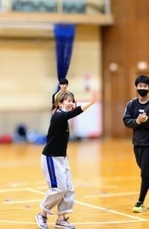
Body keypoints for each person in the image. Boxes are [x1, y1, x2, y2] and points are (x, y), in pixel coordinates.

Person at [35, 91, 97, 229]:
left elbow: (71, 113)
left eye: (71, 100)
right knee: (59, 188)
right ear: (59, 103)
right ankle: (42, 214)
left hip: (62, 158)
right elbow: (73, 113)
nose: (70, 103)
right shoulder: (58, 115)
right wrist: (91, 102)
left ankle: (61, 219)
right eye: (67, 101)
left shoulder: (63, 117)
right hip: (51, 158)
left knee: (69, 189)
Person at [122, 75, 149, 213]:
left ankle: (140, 202)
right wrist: (137, 122)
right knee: (147, 173)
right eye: (140, 86)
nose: (142, 88)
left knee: (146, 173)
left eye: (145, 86)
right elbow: (126, 120)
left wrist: (147, 120)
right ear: (136, 87)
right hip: (137, 143)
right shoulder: (131, 104)